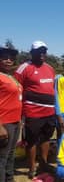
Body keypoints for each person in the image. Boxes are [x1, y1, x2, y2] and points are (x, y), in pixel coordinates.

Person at [14, 41, 56, 178]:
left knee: (46, 139)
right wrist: (19, 114)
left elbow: (52, 89)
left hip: (49, 112)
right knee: (31, 141)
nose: (42, 54)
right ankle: (31, 167)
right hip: (32, 112)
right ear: (32, 53)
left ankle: (43, 164)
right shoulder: (24, 68)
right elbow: (15, 89)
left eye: (44, 51)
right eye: (39, 51)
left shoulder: (50, 68)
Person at [0, 46, 22, 182]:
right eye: (4, 57)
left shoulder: (11, 77)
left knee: (10, 155)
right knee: (2, 158)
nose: (9, 60)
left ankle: (10, 179)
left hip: (15, 122)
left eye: (11, 58)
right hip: (4, 123)